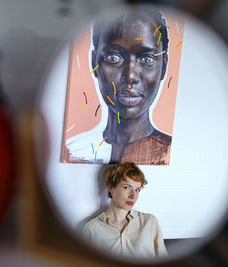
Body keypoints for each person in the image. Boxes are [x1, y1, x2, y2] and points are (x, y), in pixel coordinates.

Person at [66, 8, 172, 165]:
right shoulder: (75, 150)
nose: (130, 76)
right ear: (94, 62)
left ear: (163, 66)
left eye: (147, 59)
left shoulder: (165, 151)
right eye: (113, 57)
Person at [82, 162, 168, 259]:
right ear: (111, 188)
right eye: (127, 187)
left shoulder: (150, 222)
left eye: (137, 190)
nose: (133, 196)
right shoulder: (92, 229)